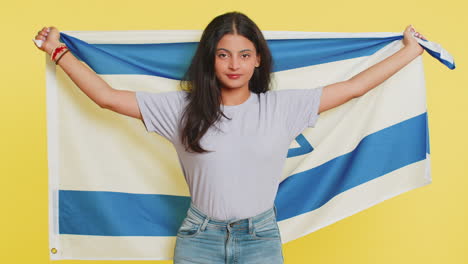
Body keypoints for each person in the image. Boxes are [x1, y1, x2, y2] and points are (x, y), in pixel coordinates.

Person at [34, 11, 426, 264]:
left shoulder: (282, 107)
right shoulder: (182, 110)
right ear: (210, 60)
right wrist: (58, 51)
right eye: (223, 54)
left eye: (243, 54)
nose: (234, 64)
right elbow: (105, 98)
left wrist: (409, 52)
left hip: (260, 238)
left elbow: (355, 87)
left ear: (258, 60)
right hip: (199, 238)